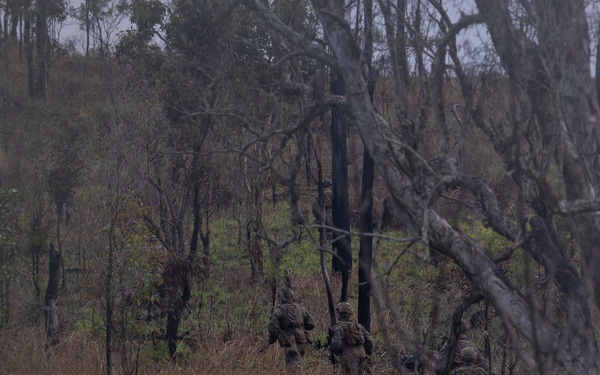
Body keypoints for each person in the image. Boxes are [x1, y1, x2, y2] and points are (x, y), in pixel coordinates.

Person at [267, 288, 316, 370]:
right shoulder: (301, 309)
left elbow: (273, 328)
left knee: (293, 367)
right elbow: (311, 324)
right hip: (302, 341)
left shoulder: (280, 311)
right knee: (297, 362)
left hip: (289, 342)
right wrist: (300, 327)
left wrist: (272, 339)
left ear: (282, 297)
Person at [330, 302, 374, 374]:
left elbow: (337, 344)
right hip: (363, 356)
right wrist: (367, 354)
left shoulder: (338, 327)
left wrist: (332, 350)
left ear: (340, 313)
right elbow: (369, 341)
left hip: (348, 358)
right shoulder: (359, 326)